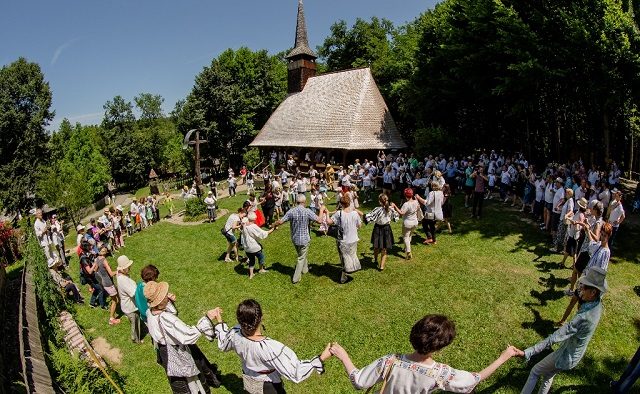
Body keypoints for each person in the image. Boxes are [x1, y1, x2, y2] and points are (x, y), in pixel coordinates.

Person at [330, 314, 520, 393]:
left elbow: (359, 381)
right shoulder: (440, 373)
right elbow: (474, 379)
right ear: (440, 347)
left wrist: (344, 356)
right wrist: (503, 357)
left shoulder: (389, 361)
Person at [210, 299, 331, 393]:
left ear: (239, 321)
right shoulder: (270, 348)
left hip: (248, 381)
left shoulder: (235, 334)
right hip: (269, 387)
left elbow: (223, 344)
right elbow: (295, 372)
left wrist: (219, 321)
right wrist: (321, 358)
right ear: (261, 318)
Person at [519, 267, 607, 394]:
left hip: (566, 355)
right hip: (575, 354)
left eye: (585, 287)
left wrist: (529, 352)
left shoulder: (583, 317)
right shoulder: (598, 302)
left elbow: (556, 336)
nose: (581, 289)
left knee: (535, 371)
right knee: (548, 375)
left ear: (593, 292)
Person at [144, 281, 220, 393]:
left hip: (165, 352)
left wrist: (168, 301)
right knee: (189, 383)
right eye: (164, 295)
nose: (167, 295)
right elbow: (187, 335)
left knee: (181, 382)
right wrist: (207, 318)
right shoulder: (165, 318)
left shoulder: (149, 312)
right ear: (160, 301)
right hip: (176, 352)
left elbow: (172, 314)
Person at [272, 194, 323, 284]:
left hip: (295, 238)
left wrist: (274, 225)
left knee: (302, 254)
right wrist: (322, 210)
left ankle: (305, 269)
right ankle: (295, 278)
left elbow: (281, 221)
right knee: (301, 257)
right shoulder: (307, 211)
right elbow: (319, 220)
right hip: (305, 239)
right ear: (304, 202)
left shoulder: (291, 211)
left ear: (296, 202)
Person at [326, 194, 363, 284]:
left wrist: (327, 214)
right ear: (349, 203)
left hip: (343, 240)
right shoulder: (355, 213)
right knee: (352, 255)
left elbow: (329, 222)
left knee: (344, 258)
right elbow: (359, 225)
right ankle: (351, 269)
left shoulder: (339, 214)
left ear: (341, 204)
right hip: (353, 239)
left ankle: (344, 275)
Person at [365, 194, 397, 271]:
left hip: (378, 228)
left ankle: (376, 260)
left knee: (376, 246)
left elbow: (368, 218)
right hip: (386, 229)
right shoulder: (390, 209)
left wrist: (360, 213)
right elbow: (396, 218)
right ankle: (381, 266)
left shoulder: (377, 209)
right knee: (384, 248)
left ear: (380, 201)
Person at [116, 255, 142, 343]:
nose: (130, 268)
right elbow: (134, 293)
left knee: (135, 322)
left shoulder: (120, 274)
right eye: (128, 267)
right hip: (130, 307)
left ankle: (136, 337)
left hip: (127, 306)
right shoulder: (123, 280)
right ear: (123, 269)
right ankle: (136, 340)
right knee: (134, 324)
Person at [241, 212, 274, 279]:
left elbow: (243, 220)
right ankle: (261, 269)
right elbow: (263, 234)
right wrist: (273, 229)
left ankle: (251, 274)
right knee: (261, 257)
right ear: (254, 219)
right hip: (254, 248)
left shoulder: (244, 225)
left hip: (247, 248)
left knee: (251, 260)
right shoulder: (253, 226)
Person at [392, 188, 420, 260]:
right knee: (410, 235)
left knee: (405, 237)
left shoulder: (406, 204)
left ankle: (408, 251)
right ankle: (406, 247)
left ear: (405, 195)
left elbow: (401, 213)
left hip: (408, 222)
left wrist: (395, 206)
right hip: (415, 222)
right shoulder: (416, 201)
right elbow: (417, 208)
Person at [95, 247, 120, 325]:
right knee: (114, 300)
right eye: (103, 250)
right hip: (108, 283)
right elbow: (111, 274)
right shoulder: (104, 261)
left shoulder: (97, 259)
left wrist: (101, 277)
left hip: (104, 282)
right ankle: (111, 319)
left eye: (105, 250)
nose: (105, 252)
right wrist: (119, 270)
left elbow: (95, 270)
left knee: (117, 294)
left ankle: (121, 307)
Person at [79, 241, 106, 309]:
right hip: (89, 278)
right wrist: (95, 262)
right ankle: (103, 305)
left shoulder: (85, 254)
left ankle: (92, 303)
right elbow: (90, 271)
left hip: (91, 276)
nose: (91, 247)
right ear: (86, 247)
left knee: (97, 289)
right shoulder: (83, 259)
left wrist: (93, 255)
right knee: (100, 289)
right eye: (89, 246)